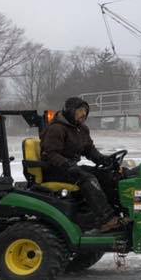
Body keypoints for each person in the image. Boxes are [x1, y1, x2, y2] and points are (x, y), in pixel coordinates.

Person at [40, 97, 123, 232]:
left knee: (106, 175)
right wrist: (66, 164)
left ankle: (116, 211)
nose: (83, 114)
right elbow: (50, 154)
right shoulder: (56, 129)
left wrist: (104, 160)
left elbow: (89, 150)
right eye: (80, 111)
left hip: (72, 168)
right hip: (55, 169)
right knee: (88, 179)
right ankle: (106, 219)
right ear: (70, 111)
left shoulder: (82, 129)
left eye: (85, 111)